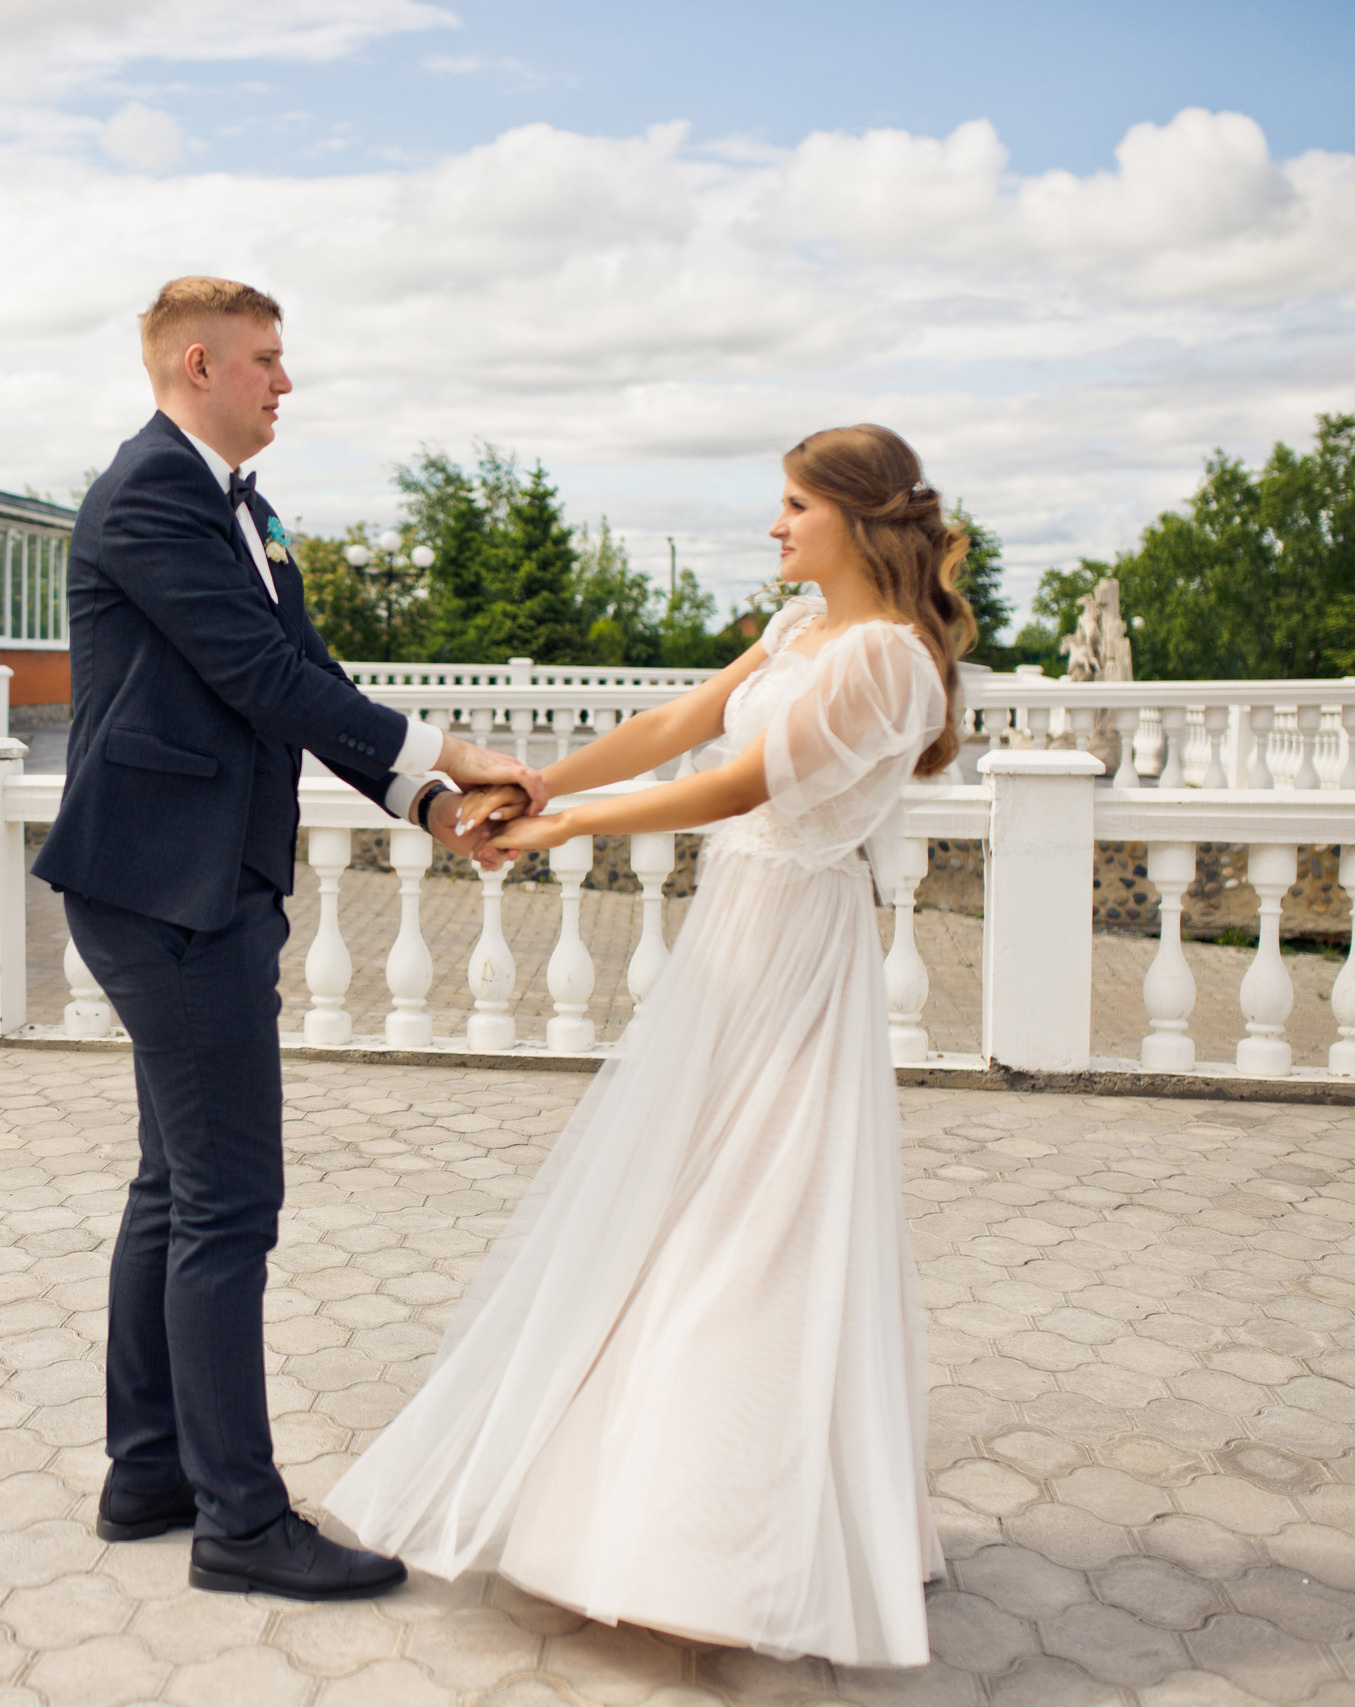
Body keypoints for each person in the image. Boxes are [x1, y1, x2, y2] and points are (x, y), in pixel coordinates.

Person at [323, 423, 970, 1667]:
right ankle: (639, 1515)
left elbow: (742, 789)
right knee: (680, 1200)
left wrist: (571, 832)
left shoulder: (888, 660)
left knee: (760, 1212)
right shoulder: (796, 634)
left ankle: (727, 1550)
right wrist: (536, 787)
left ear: (855, 517)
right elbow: (682, 722)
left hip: (792, 937)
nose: (774, 525)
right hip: (737, 932)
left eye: (793, 504)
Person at [32, 277, 547, 1601]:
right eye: (267, 360)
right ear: (196, 363)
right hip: (167, 890)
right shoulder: (152, 494)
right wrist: (462, 749)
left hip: (191, 883)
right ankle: (241, 1521)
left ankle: (151, 1468)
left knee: (175, 1185)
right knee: (226, 1203)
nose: (286, 381)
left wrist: (427, 799)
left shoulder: (233, 509)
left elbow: (305, 687)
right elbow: (259, 681)